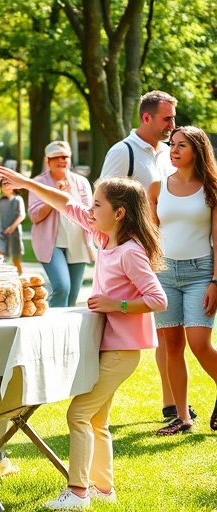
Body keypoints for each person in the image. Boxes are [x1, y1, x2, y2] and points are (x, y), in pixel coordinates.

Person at [0, 165, 167, 510]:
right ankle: (103, 488)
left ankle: (78, 493)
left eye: (98, 205)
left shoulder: (130, 251)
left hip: (123, 351)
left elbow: (157, 299)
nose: (90, 210)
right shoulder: (105, 237)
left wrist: (114, 304)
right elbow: (64, 202)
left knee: (78, 415)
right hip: (109, 346)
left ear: (119, 213)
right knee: (97, 419)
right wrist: (27, 183)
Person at [100, 90, 185, 423]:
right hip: (138, 255)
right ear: (146, 117)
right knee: (162, 329)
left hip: (168, 249)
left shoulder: (167, 153)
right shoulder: (123, 151)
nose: (172, 125)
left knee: (170, 332)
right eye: (167, 119)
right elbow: (103, 199)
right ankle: (168, 406)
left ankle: (171, 404)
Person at [148, 126, 217, 436]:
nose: (174, 150)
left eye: (182, 145)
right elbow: (150, 237)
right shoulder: (156, 188)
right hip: (164, 274)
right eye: (172, 144)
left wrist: (216, 281)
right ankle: (182, 418)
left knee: (199, 344)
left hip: (201, 273)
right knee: (172, 346)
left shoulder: (211, 189)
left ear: (197, 150)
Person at [28, 141, 94, 307]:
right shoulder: (38, 183)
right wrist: (55, 196)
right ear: (48, 160)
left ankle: (66, 332)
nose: (62, 160)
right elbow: (35, 216)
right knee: (62, 287)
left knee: (72, 297)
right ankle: (50, 327)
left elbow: (89, 213)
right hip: (51, 246)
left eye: (65, 156)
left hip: (78, 244)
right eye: (56, 157)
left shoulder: (81, 182)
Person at [0, 180, 26, 274]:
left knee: (15, 258)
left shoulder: (18, 199)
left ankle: (20, 277)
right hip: (1, 232)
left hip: (14, 233)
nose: (6, 186)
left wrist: (12, 227)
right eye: (3, 184)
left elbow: (22, 215)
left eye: (8, 184)